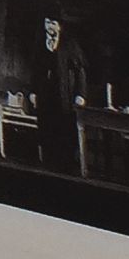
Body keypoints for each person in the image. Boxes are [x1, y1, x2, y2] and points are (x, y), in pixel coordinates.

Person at [34, 13, 88, 173]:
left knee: (65, 128)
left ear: (59, 26)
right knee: (47, 127)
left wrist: (81, 94)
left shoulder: (69, 44)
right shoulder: (40, 43)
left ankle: (67, 165)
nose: (50, 26)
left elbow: (80, 71)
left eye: (53, 23)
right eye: (47, 22)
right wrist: (33, 91)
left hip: (65, 94)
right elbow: (35, 71)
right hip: (46, 95)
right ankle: (49, 163)